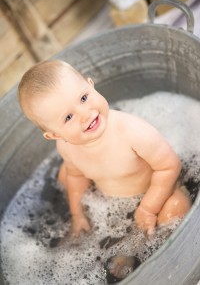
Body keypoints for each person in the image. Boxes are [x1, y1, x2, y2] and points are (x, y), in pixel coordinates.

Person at [18, 60, 191, 237]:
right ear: (55, 135)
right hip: (108, 202)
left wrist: (148, 208)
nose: (85, 114)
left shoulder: (133, 131)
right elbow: (76, 175)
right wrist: (77, 214)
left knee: (176, 208)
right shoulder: (66, 147)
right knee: (65, 174)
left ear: (91, 85)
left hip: (156, 192)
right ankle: (120, 248)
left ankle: (148, 244)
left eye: (84, 98)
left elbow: (169, 166)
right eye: (69, 117)